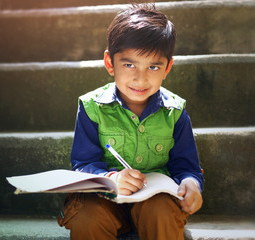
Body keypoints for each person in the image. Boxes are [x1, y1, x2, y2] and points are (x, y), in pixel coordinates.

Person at [57, 3, 204, 240]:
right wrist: (112, 180)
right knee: (87, 216)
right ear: (109, 63)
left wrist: (191, 183)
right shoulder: (92, 108)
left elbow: (186, 165)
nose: (140, 77)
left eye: (153, 66)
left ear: (167, 67)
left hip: (154, 202)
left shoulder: (175, 112)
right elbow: (84, 164)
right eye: (129, 64)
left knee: (162, 212)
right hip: (103, 200)